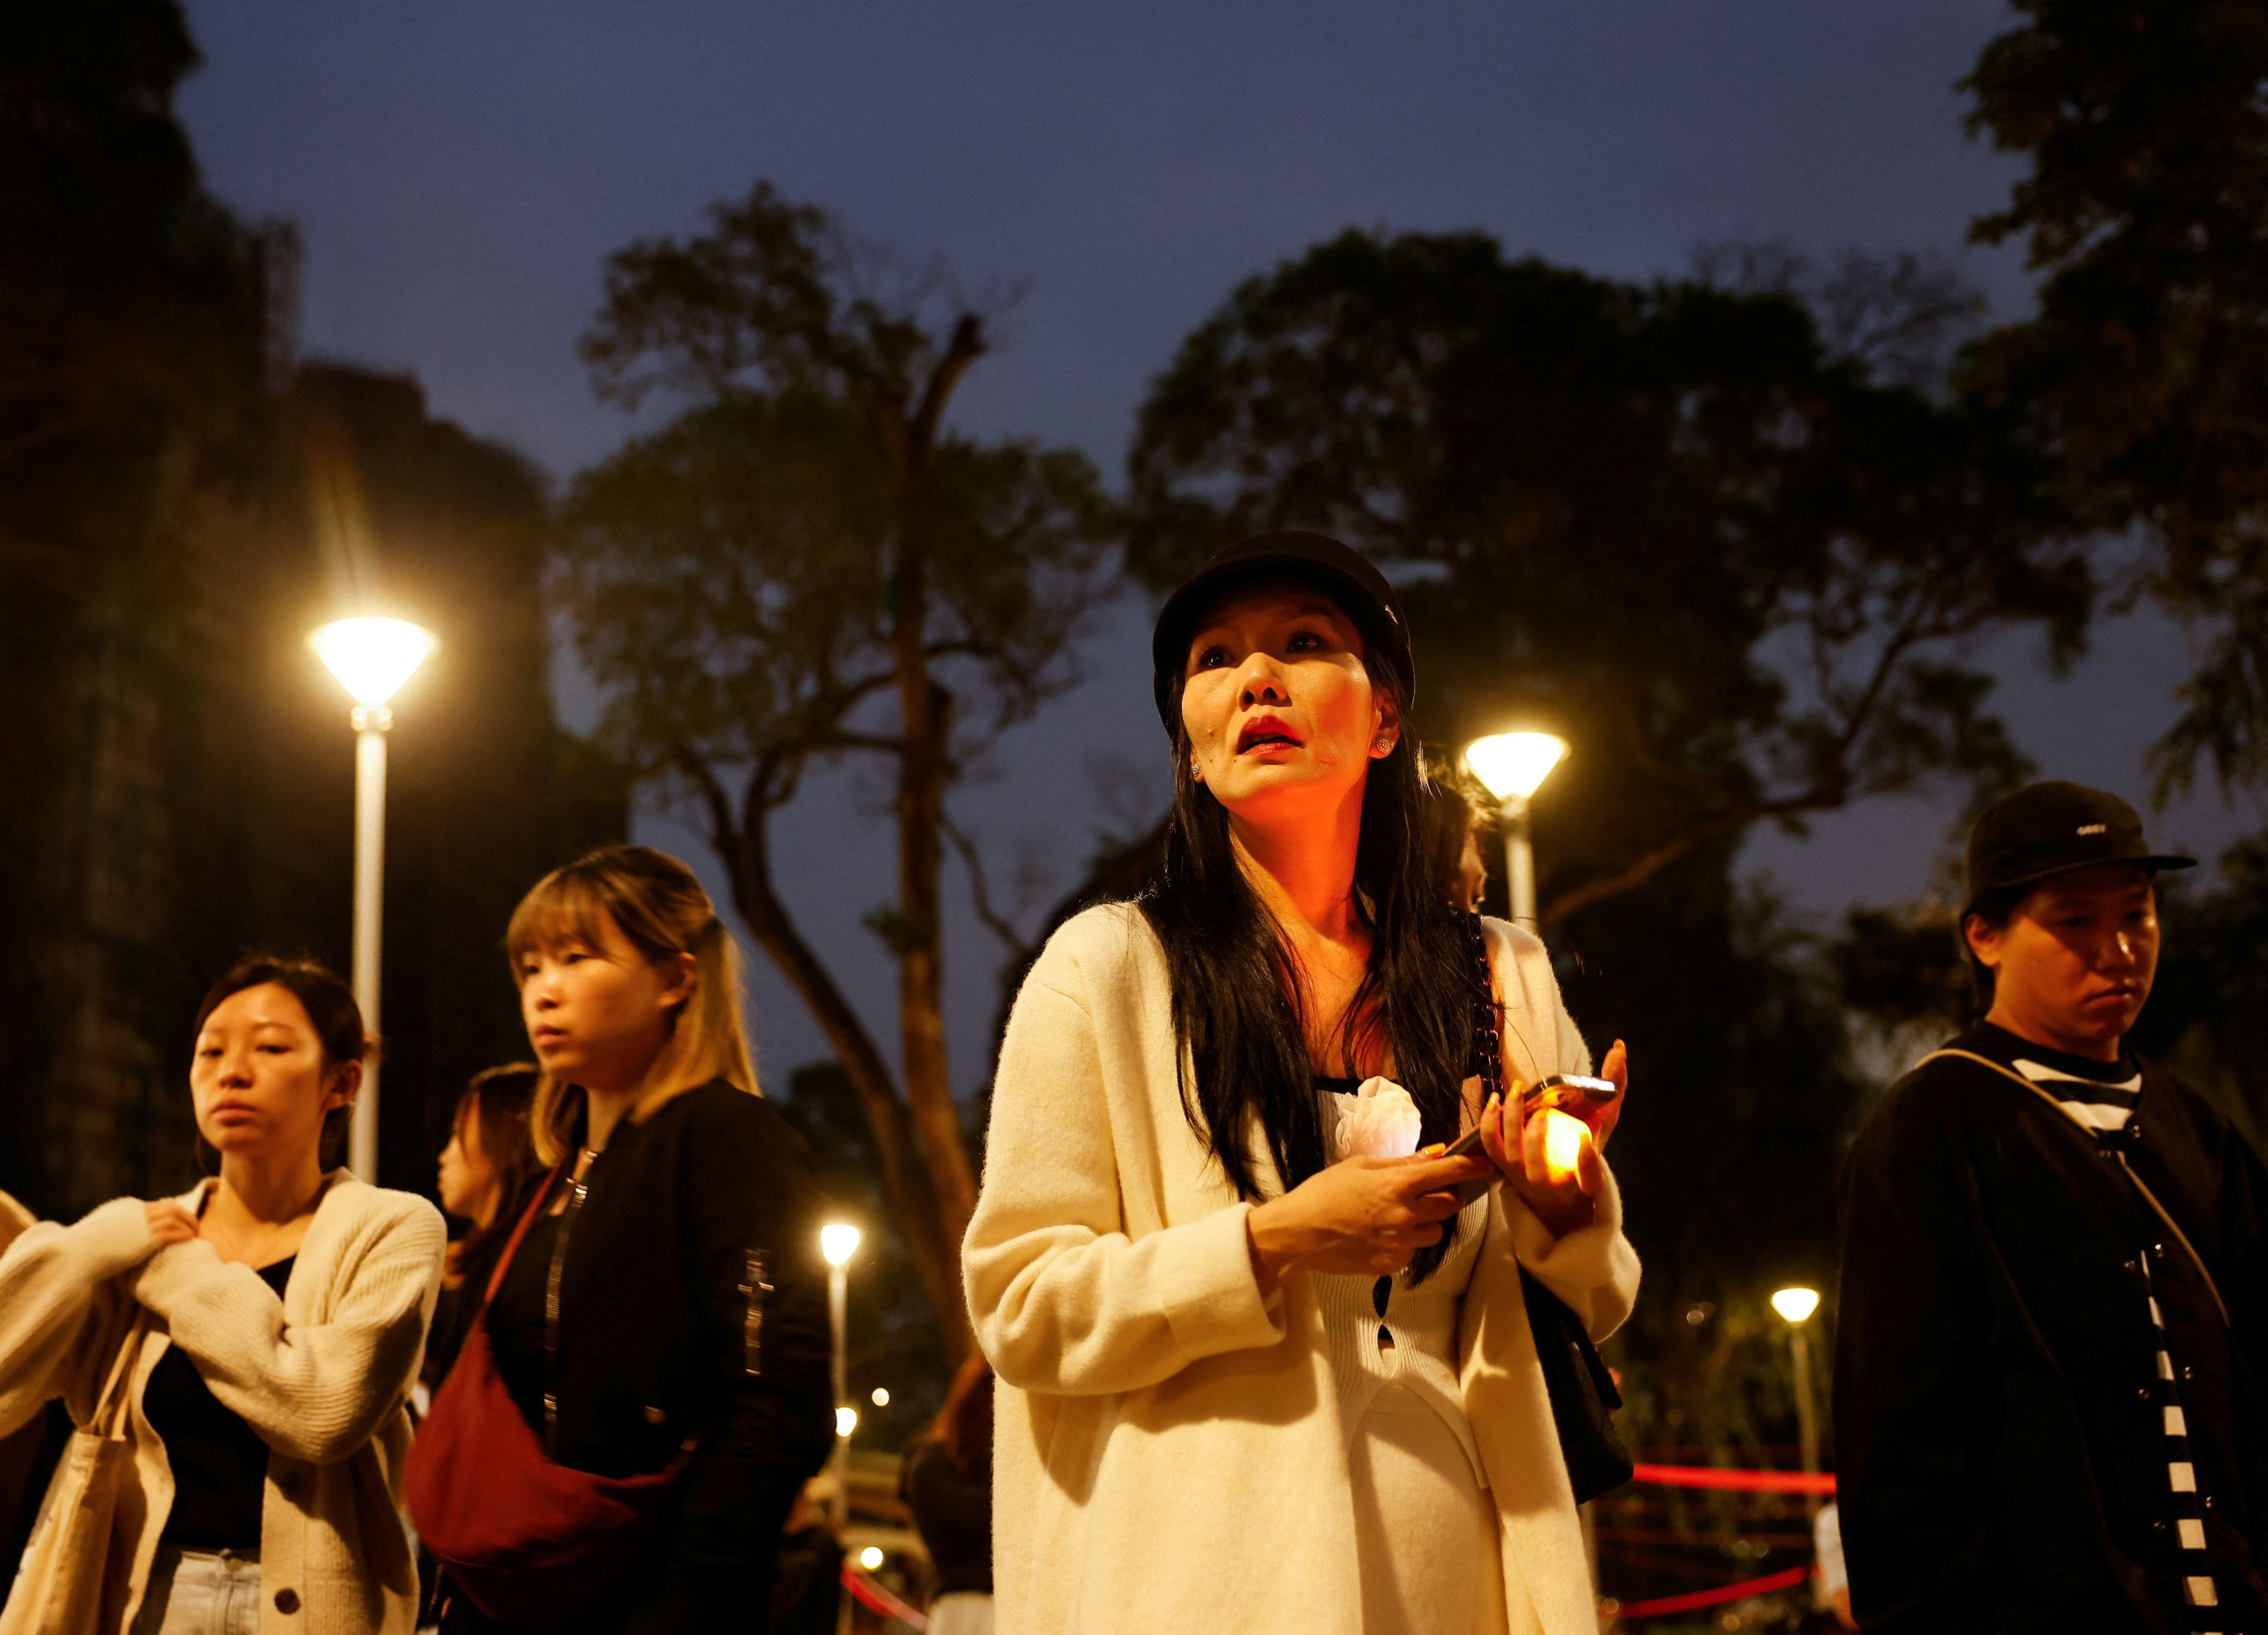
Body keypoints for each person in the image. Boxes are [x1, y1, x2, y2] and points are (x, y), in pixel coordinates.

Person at [962, 530, 1642, 1635]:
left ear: (1384, 719)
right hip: (1194, 1587)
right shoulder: (1104, 968)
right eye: (1214, 659)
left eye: (1303, 642)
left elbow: (1592, 1302)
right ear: (1187, 745)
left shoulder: (1497, 967)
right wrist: (1273, 1239)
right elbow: (1022, 1308)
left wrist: (1561, 1201)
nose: (1255, 679)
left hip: (1456, 1576)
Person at [1834, 781, 2268, 1632]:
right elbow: (1897, 1439)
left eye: (2136, 914)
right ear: (1983, 935)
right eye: (2072, 920)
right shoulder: (1933, 1123)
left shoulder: (2199, 1128)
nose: (2116, 949)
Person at [431, 845, 833, 1634]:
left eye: (577, 958)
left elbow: (777, 1405)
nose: (544, 989)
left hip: (651, 1607)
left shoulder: (728, 1141)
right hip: (508, 1602)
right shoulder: (549, 1185)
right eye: (530, 967)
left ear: (677, 979)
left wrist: (682, 1605)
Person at [0, 955, 446, 1635]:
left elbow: (322, 1412)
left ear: (341, 1081)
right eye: (211, 1050)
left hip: (307, 1609)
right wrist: (84, 1248)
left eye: (271, 1048)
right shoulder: (134, 1238)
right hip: (137, 1597)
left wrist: (183, 1270)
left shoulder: (390, 1227)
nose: (232, 1071)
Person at [426, 1063, 541, 1388]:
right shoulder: (475, 1263)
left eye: (456, 1133)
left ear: (500, 1139)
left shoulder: (513, 1275)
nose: (444, 1156)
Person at [899, 1353, 995, 1635]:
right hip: (971, 1607)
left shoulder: (930, 1466)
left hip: (964, 1607)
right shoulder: (933, 1466)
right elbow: (989, 1518)